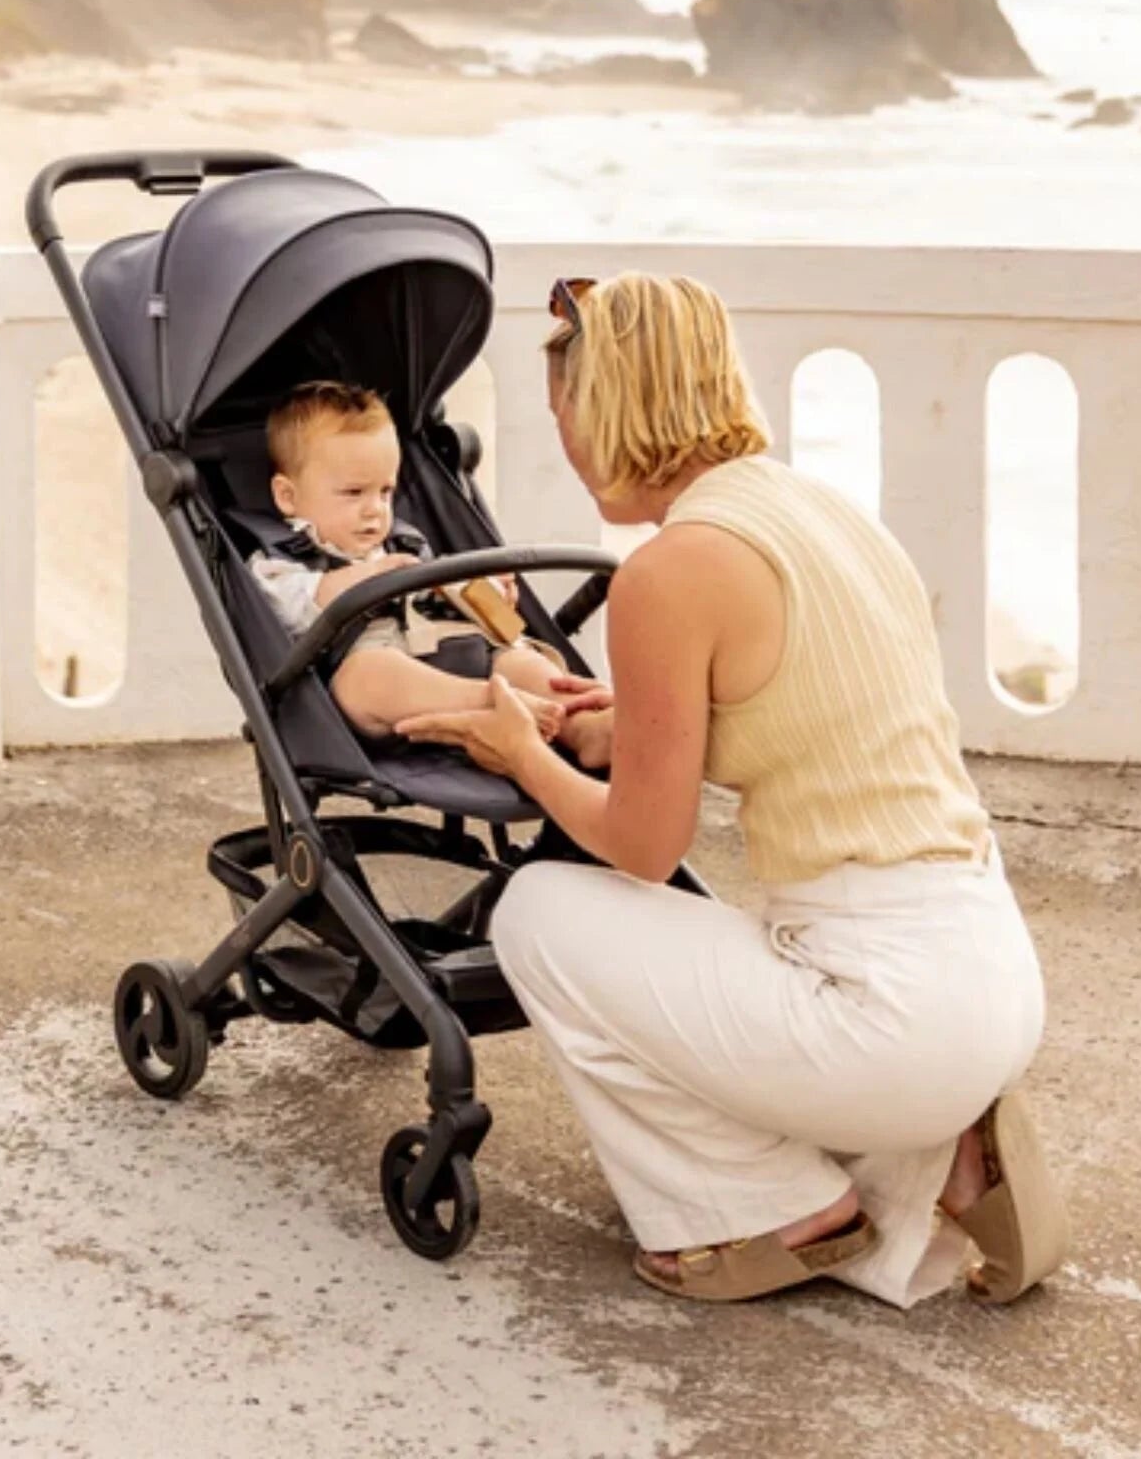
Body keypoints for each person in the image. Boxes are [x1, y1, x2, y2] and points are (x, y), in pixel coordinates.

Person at [397, 274, 1068, 1308]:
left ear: (612, 406)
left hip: (890, 1013)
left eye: (566, 411)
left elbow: (644, 846)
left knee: (536, 913)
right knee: (738, 956)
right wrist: (623, 717)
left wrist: (524, 756)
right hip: (985, 965)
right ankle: (951, 1153)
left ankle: (770, 1210)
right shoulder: (818, 511)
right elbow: (794, 700)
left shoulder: (670, 571)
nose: (566, 442)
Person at [252, 381, 601, 758]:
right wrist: (370, 577)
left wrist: (484, 592)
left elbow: (445, 592)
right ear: (288, 496)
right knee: (364, 679)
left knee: (522, 661)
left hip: (455, 651)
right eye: (354, 493)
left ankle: (584, 726)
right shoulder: (277, 563)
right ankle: (496, 705)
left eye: (386, 492)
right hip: (388, 682)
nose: (375, 509)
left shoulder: (405, 542)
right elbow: (287, 607)